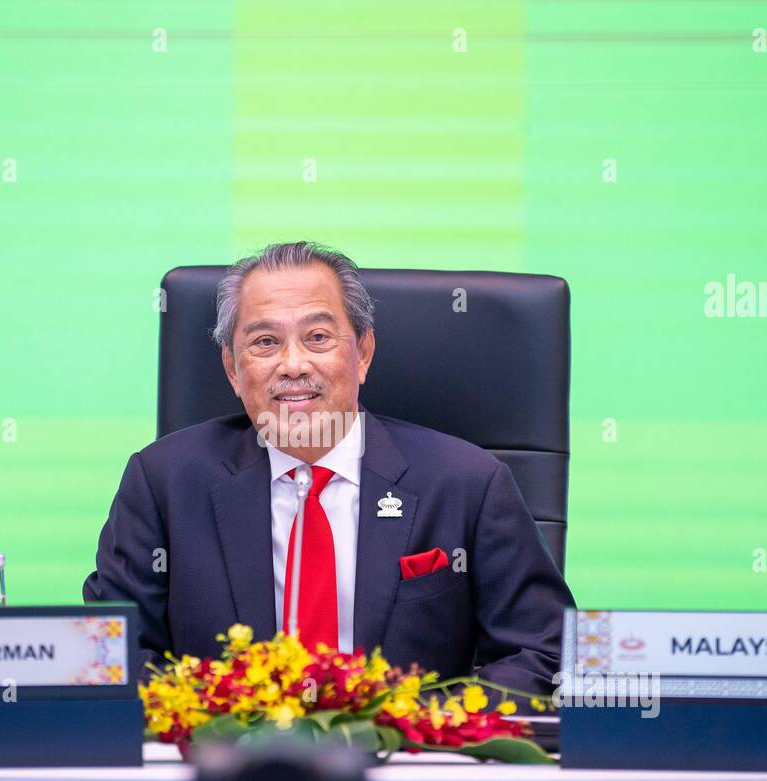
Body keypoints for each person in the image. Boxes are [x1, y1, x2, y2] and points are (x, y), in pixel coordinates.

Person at [84, 241, 573, 696]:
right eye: (265, 343)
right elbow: (115, 654)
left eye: (318, 337)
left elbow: (544, 650)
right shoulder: (163, 483)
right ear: (233, 369)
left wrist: (423, 728)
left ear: (362, 353)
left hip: (408, 768)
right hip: (226, 766)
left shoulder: (467, 483)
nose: (293, 365)